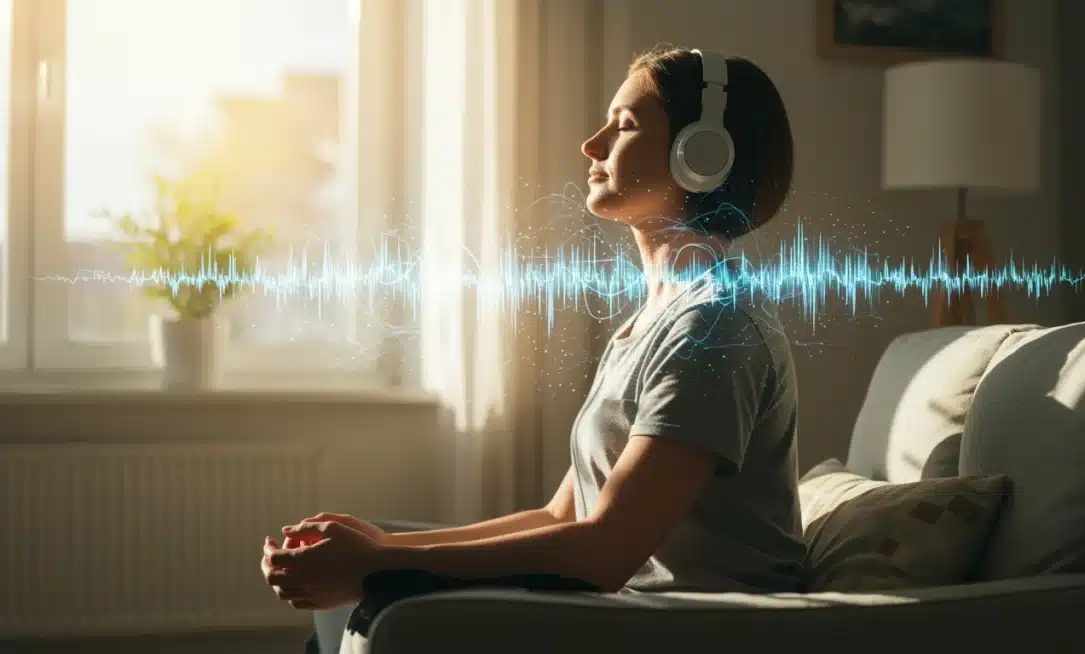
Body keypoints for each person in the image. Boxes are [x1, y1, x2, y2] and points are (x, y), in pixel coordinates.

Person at [262, 43, 805, 636]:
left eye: (623, 126)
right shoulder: (655, 321)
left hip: (696, 626)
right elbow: (561, 514)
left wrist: (379, 565)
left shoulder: (716, 327)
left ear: (701, 156)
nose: (591, 145)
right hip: (629, 608)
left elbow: (604, 552)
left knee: (383, 600)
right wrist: (382, 545)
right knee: (366, 590)